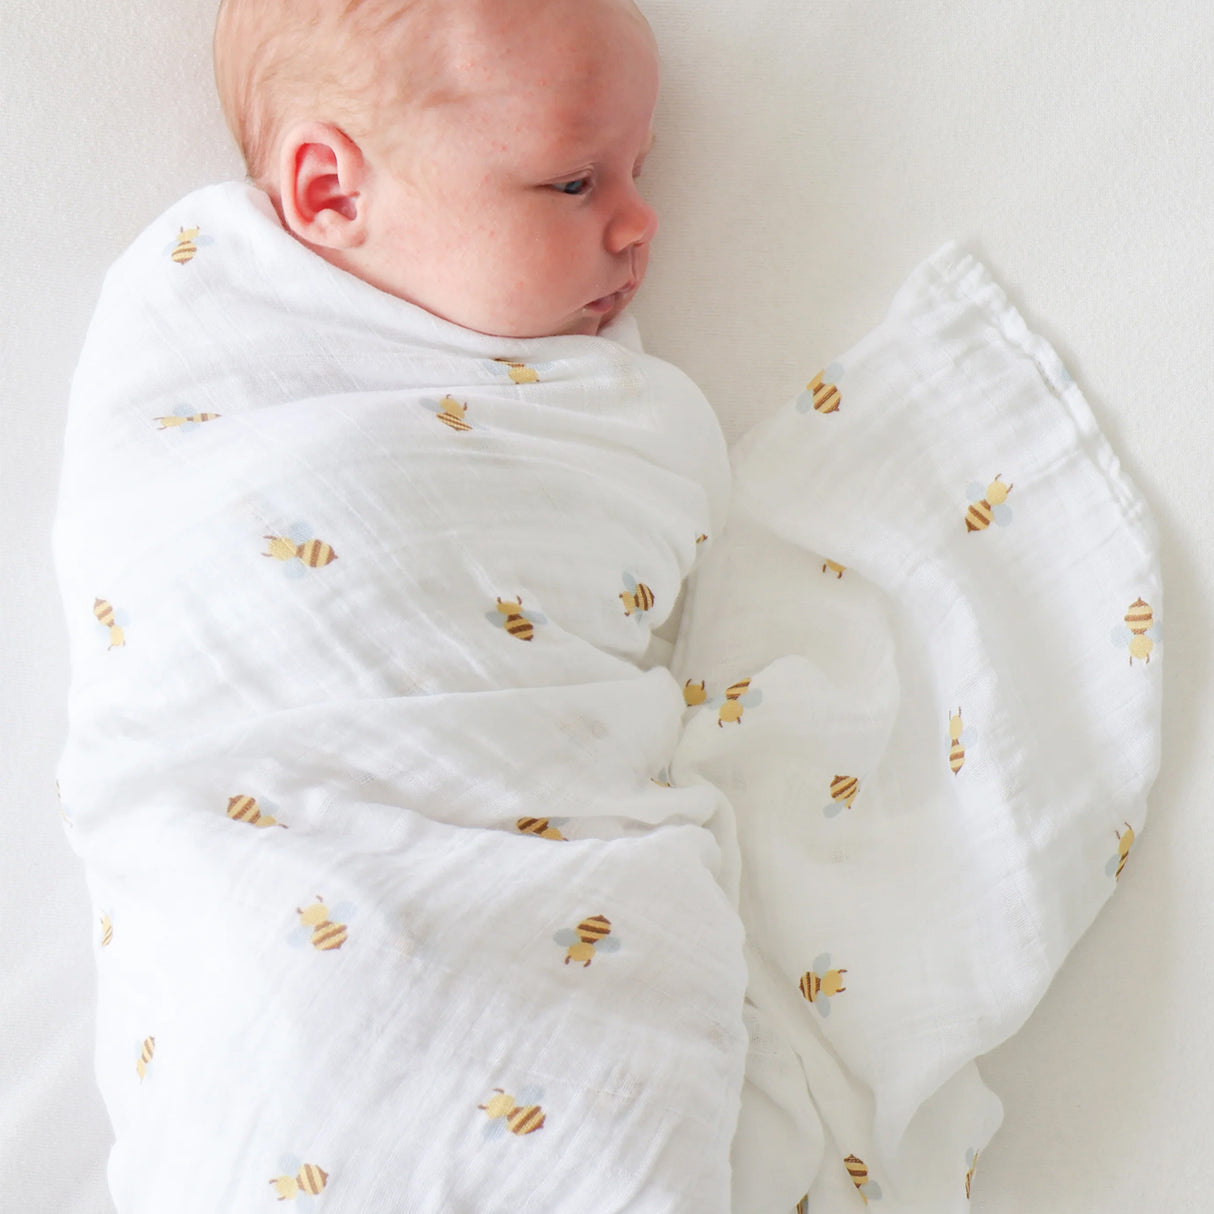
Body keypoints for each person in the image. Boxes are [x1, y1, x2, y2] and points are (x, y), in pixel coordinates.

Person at [213, 0, 661, 339]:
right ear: (334, 194)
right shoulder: (212, 329)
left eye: (636, 171)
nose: (644, 222)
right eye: (572, 183)